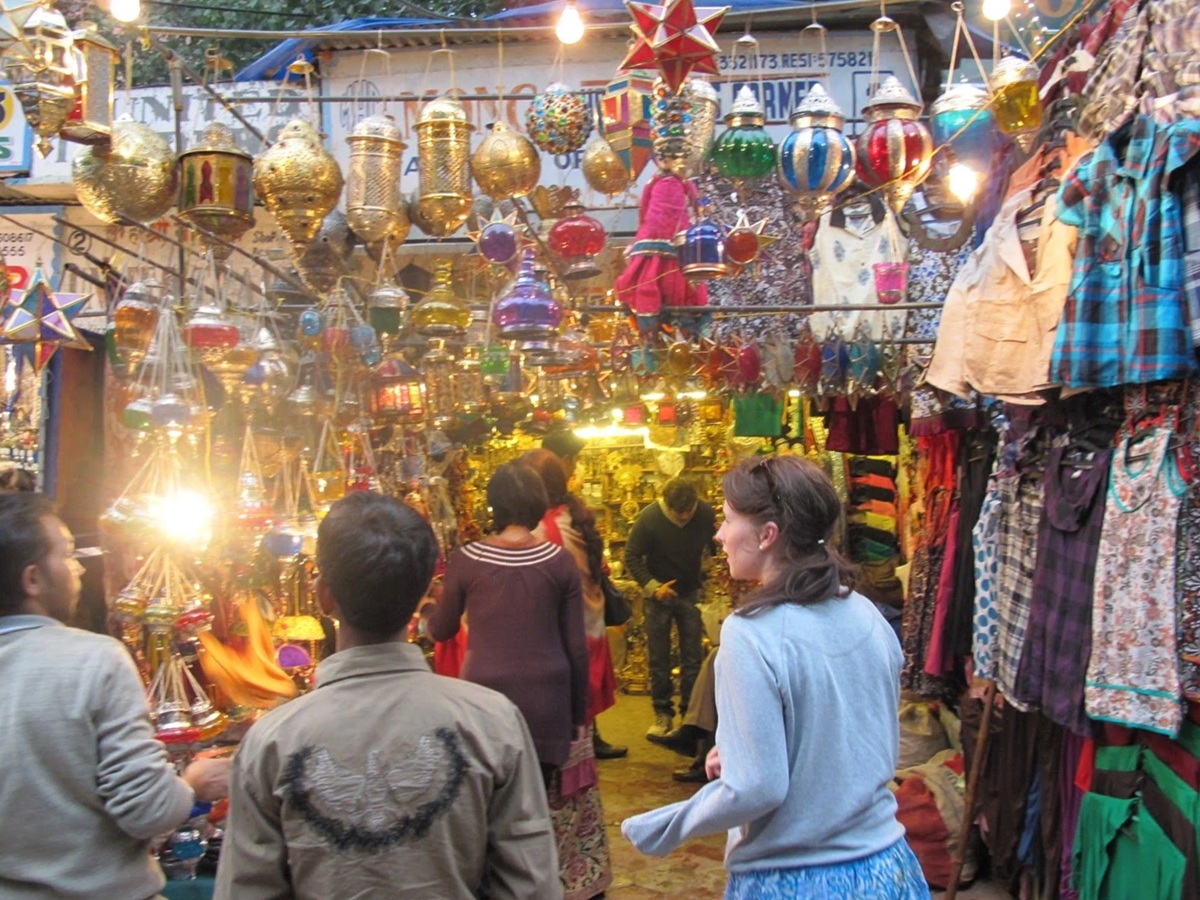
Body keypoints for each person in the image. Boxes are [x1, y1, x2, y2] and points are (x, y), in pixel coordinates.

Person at [215, 492, 560, 899]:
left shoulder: (270, 742)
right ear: (421, 597)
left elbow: (247, 890)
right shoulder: (491, 721)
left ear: (324, 595)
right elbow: (532, 885)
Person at [621, 456, 927, 899]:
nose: (719, 535)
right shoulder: (864, 611)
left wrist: (666, 826)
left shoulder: (751, 634)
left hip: (799, 879)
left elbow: (756, 787)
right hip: (888, 867)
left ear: (767, 535)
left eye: (727, 520)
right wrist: (748, 748)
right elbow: (852, 733)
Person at [0, 493, 230, 900]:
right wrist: (190, 785)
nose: (77, 570)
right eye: (68, 555)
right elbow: (147, 810)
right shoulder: (94, 660)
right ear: (32, 579)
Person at [427, 462, 597, 900]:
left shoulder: (468, 559)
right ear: (539, 503)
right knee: (532, 816)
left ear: (494, 504)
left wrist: (430, 608)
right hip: (548, 704)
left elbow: (441, 630)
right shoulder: (557, 562)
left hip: (484, 703)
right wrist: (578, 717)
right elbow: (575, 646)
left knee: (482, 814)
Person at [624, 476, 716, 738]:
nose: (685, 516)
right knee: (658, 659)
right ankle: (663, 715)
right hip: (658, 597)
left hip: (691, 593)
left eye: (689, 511)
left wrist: (709, 578)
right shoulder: (649, 518)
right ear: (667, 503)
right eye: (679, 512)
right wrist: (653, 587)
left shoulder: (705, 513)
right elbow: (631, 555)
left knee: (693, 659)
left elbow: (715, 547)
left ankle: (690, 717)